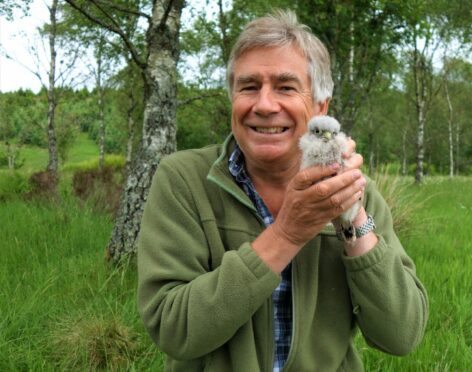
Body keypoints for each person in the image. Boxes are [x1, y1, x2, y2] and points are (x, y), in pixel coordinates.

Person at [137, 10, 428, 371]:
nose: (264, 105)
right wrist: (288, 232)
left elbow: (401, 336)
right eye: (248, 87)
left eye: (286, 87)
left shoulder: (352, 191)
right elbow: (173, 328)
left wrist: (353, 221)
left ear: (321, 106)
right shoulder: (184, 180)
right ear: (233, 99)